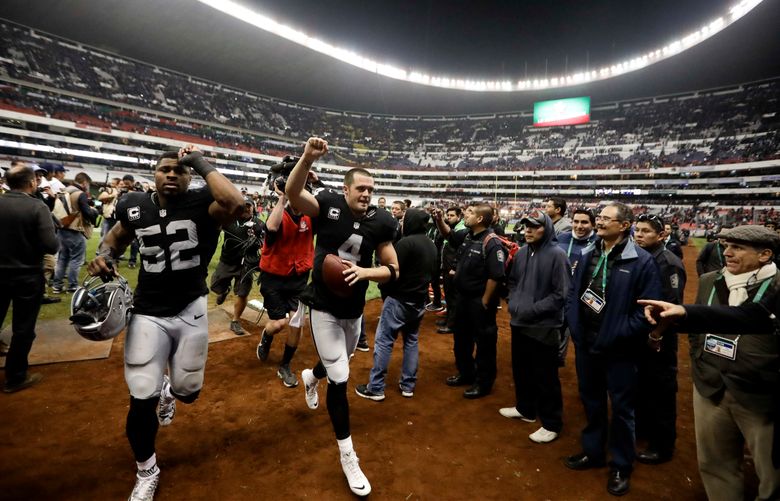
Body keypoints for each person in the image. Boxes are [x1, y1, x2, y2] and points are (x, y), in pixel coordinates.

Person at [87, 145, 243, 501]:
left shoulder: (205, 202)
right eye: (164, 169)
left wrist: (200, 162)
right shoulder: (134, 204)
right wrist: (102, 256)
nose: (171, 174)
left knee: (189, 393)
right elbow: (114, 239)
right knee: (141, 395)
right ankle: (147, 469)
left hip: (191, 308)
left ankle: (170, 390)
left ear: (190, 176)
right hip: (147, 312)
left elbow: (235, 204)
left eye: (179, 170)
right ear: (153, 174)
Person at [286, 137, 399, 497]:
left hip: (353, 309)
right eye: (360, 188)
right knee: (341, 375)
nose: (366, 193)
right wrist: (305, 158)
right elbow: (293, 195)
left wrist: (367, 273)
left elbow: (393, 269)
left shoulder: (382, 222)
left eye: (370, 189)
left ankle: (309, 376)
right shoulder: (329, 205)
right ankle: (348, 453)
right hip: (322, 303)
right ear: (346, 189)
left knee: (337, 363)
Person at [644, 225, 780, 501]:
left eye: (737, 248)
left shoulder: (777, 287)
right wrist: (699, 360)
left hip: (760, 393)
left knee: (772, 475)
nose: (726, 253)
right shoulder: (709, 280)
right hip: (710, 386)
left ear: (765, 254)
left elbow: (752, 317)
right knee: (715, 464)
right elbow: (698, 328)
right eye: (725, 245)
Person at [564, 202, 662, 497]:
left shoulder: (641, 262)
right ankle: (593, 452)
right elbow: (574, 295)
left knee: (622, 409)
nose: (600, 222)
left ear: (624, 225)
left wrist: (618, 334)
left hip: (619, 349)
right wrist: (576, 330)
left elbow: (647, 311)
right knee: (591, 401)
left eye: (607, 218)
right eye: (600, 218)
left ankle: (621, 464)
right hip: (587, 344)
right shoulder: (587, 252)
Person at [499, 211, 570, 444]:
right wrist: (514, 300)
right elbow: (512, 281)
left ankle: (552, 423)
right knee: (521, 369)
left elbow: (560, 295)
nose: (528, 230)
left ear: (546, 228)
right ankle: (525, 409)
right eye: (526, 226)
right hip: (520, 322)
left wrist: (531, 309)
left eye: (534, 227)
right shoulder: (521, 253)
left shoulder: (557, 255)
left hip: (544, 325)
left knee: (545, 376)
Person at [355, 208, 437, 401]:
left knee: (384, 341)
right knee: (411, 341)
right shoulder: (431, 244)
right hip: (419, 301)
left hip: (399, 300)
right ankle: (408, 385)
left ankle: (376, 387)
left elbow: (391, 273)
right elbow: (433, 274)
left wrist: (386, 290)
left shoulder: (405, 243)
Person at [434, 203, 506, 399]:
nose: (466, 214)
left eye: (471, 212)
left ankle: (483, 383)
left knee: (484, 344)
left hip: (479, 302)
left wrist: (484, 301)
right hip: (463, 300)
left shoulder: (491, 242)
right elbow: (449, 235)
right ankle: (466, 373)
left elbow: (496, 276)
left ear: (480, 219)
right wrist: (440, 220)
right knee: (461, 340)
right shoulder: (467, 235)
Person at [633, 213, 687, 465]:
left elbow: (672, 306)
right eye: (638, 230)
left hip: (660, 337)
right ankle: (643, 430)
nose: (639, 234)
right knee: (642, 385)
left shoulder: (668, 262)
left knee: (661, 391)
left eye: (646, 231)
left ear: (662, 235)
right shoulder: (643, 257)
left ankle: (662, 446)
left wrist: (656, 335)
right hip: (642, 333)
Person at [0, 165, 58, 392]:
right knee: (23, 328)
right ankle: (15, 377)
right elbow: (51, 245)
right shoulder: (37, 206)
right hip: (27, 275)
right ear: (32, 182)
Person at [255, 182, 313, 388]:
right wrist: (283, 197)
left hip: (298, 279)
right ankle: (266, 335)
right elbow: (271, 228)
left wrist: (315, 182)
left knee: (297, 323)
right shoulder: (280, 213)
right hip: (274, 278)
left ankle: (285, 365)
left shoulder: (310, 215)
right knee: (279, 323)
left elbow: (330, 204)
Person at [210, 196, 263, 336]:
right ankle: (224, 290)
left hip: (246, 265)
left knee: (243, 292)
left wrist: (258, 243)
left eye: (248, 206)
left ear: (253, 207)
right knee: (215, 286)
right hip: (227, 261)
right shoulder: (229, 219)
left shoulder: (259, 224)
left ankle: (235, 320)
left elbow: (265, 244)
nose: (246, 208)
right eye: (243, 205)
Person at [556, 208, 597, 365]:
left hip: (584, 296)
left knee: (582, 332)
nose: (579, 226)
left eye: (584, 222)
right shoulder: (561, 238)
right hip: (560, 291)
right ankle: (557, 358)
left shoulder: (598, 243)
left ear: (592, 225)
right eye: (576, 221)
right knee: (559, 325)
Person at [51, 172, 99, 294]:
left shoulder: (64, 190)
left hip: (62, 228)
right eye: (87, 184)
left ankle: (57, 285)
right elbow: (87, 213)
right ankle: (72, 286)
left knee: (62, 259)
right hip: (75, 229)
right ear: (84, 182)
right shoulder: (80, 194)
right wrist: (94, 211)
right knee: (76, 260)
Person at [436, 206, 466, 334]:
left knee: (453, 297)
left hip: (453, 269)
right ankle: (448, 318)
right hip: (447, 267)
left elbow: (460, 252)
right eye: (448, 215)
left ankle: (452, 325)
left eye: (452, 215)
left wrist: (454, 267)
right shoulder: (454, 228)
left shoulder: (462, 230)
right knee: (448, 296)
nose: (449, 218)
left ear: (459, 217)